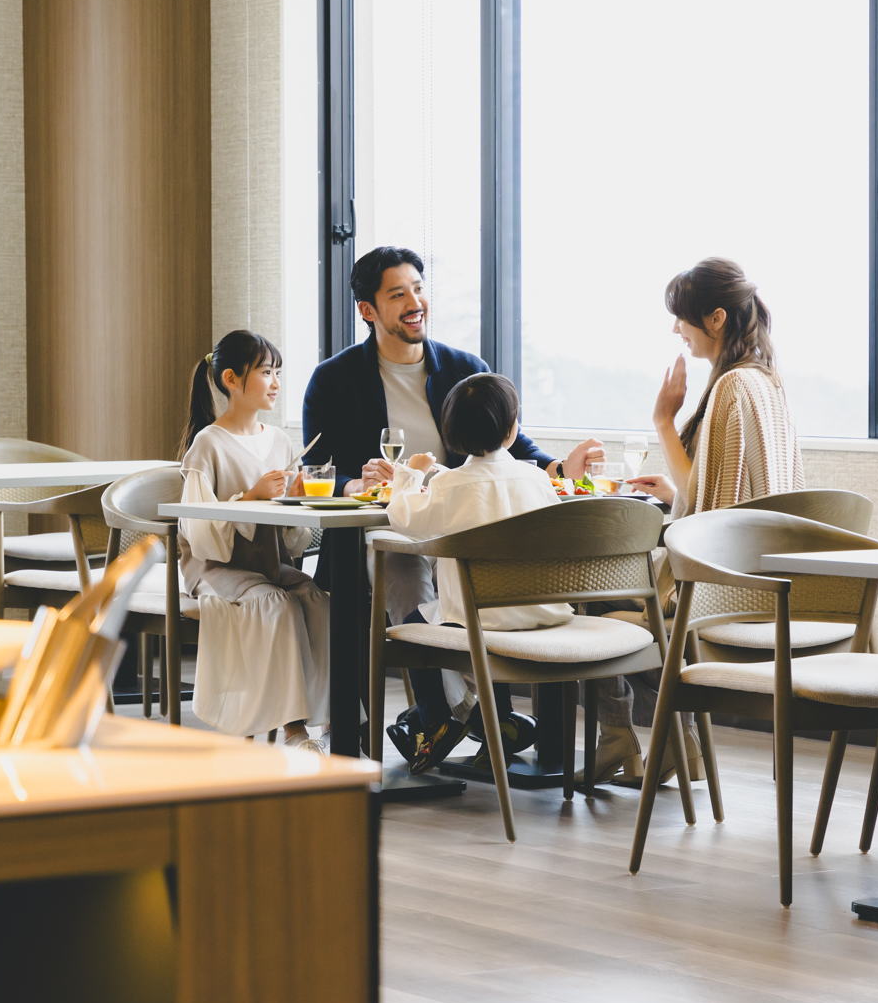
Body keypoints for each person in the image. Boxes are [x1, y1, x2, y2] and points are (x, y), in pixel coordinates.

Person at [303, 245, 600, 749]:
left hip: (459, 525)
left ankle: (446, 717)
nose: (415, 302)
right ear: (368, 311)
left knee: (459, 571)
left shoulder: (464, 368)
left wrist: (556, 468)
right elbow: (315, 467)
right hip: (377, 535)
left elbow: (510, 440)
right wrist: (350, 483)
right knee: (403, 567)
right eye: (398, 294)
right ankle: (464, 711)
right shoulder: (334, 380)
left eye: (418, 289)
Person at [588, 256, 807, 784]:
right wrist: (676, 492)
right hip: (763, 571)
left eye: (681, 317)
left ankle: (628, 736)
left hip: (725, 586)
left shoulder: (733, 387)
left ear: (714, 319)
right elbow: (717, 494)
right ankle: (670, 744)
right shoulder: (764, 380)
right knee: (616, 600)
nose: (674, 329)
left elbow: (711, 518)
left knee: (591, 599)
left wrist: (663, 421)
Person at [383, 373, 573, 769]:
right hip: (544, 614)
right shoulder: (536, 477)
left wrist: (411, 473)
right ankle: (496, 721)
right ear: (511, 429)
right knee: (477, 618)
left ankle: (435, 722)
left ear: (451, 432)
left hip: (477, 622)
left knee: (412, 628)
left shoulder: (451, 484)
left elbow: (402, 518)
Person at [177, 330, 330, 748]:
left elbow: (293, 543)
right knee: (275, 604)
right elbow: (199, 532)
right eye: (266, 372)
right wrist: (250, 497)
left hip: (263, 564)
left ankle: (331, 718)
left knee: (316, 599)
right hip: (214, 569)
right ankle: (293, 728)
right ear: (231, 379)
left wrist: (293, 500)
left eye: (277, 372)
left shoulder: (279, 440)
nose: (276, 383)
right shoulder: (207, 444)